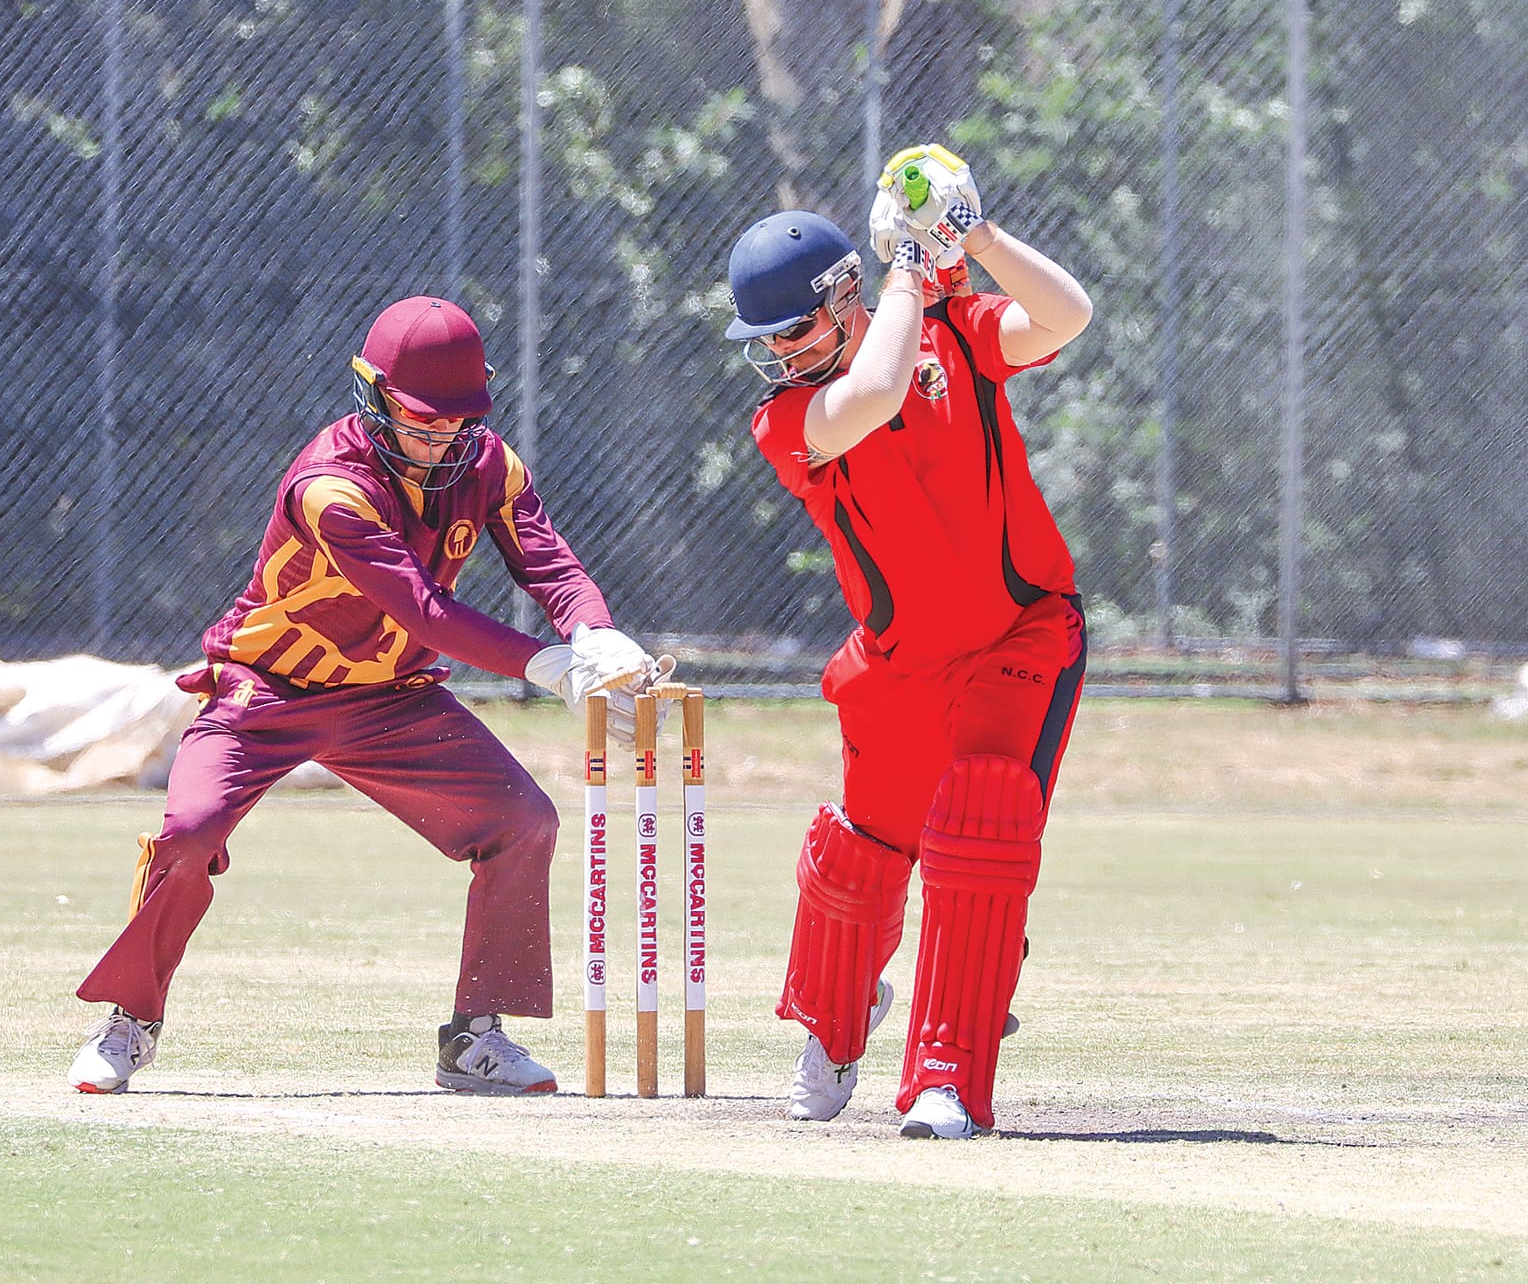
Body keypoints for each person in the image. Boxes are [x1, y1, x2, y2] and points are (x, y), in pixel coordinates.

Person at [68, 295, 668, 1096]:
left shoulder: (487, 461)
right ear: (373, 392)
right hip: (272, 688)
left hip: (391, 698)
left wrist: (595, 634)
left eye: (453, 421)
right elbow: (420, 606)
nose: (437, 440)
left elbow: (548, 561)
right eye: (420, 422)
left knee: (524, 821)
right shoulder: (330, 486)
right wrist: (548, 665)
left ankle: (476, 1037)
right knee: (190, 830)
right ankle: (128, 1021)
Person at [722, 144, 1093, 1139]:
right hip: (898, 664)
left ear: (840, 298)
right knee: (857, 854)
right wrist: (908, 270)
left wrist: (973, 236)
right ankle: (834, 1022)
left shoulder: (955, 333)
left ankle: (945, 1073)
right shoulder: (789, 417)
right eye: (766, 338)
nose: (780, 351)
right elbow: (878, 390)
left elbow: (1065, 314)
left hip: (1017, 631)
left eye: (794, 328)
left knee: (978, 826)